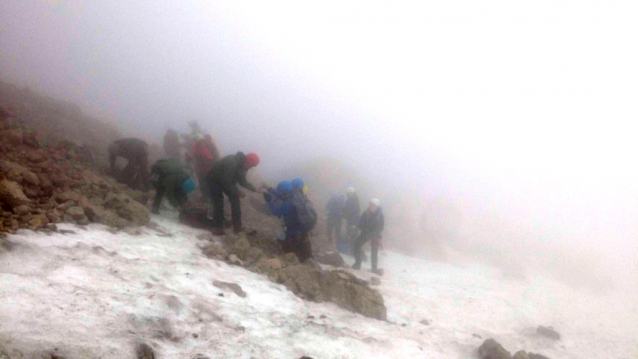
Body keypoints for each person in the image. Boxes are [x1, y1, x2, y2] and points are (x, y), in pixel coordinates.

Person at [209, 151, 261, 235]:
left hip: (227, 182)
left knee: (235, 201)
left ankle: (237, 227)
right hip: (215, 179)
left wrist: (254, 189)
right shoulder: (232, 162)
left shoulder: (242, 165)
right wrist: (238, 192)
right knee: (218, 203)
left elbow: (242, 181)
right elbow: (226, 181)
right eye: (250, 166)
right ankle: (218, 227)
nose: (250, 168)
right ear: (247, 161)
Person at [264, 180, 314, 262]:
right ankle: (309, 263)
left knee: (291, 252)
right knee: (306, 252)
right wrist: (269, 189)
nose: (280, 193)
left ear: (283, 192)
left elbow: (276, 212)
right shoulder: (295, 195)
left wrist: (269, 201)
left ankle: (297, 266)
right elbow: (280, 195)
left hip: (293, 232)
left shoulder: (288, 203)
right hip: (302, 229)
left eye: (281, 192)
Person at [352, 198, 385, 274]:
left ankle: (373, 268)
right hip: (366, 233)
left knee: (374, 251)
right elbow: (360, 224)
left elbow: (381, 227)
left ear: (376, 206)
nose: (370, 206)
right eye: (370, 205)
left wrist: (374, 231)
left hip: (374, 234)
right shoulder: (366, 214)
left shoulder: (380, 216)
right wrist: (361, 228)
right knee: (356, 245)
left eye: (372, 205)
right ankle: (358, 264)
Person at [187, 134, 221, 200]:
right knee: (204, 182)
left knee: (205, 182)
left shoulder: (203, 148)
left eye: (195, 140)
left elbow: (210, 159)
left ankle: (208, 197)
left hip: (205, 168)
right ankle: (207, 196)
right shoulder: (199, 146)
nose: (194, 142)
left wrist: (206, 166)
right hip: (202, 168)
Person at [340, 187, 361, 254]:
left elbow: (352, 211)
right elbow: (348, 209)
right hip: (352, 221)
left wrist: (354, 223)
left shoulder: (353, 200)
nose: (349, 194)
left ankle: (355, 252)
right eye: (348, 193)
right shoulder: (353, 200)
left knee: (352, 237)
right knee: (351, 236)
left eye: (349, 193)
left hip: (353, 222)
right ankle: (353, 251)